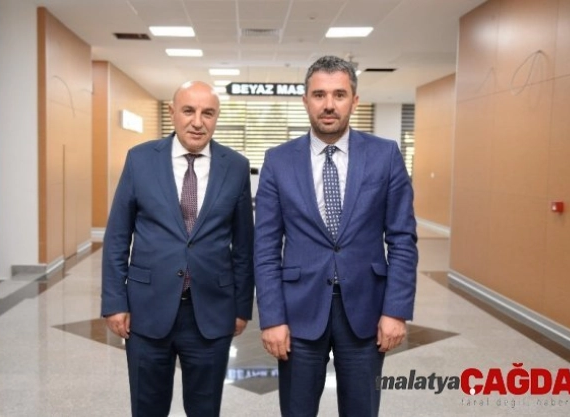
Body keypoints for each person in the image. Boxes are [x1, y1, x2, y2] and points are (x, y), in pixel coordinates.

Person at [254, 55, 418, 416]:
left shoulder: (385, 155)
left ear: (354, 101)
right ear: (305, 101)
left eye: (339, 94)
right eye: (319, 95)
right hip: (297, 313)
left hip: (366, 312)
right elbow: (265, 247)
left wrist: (395, 311)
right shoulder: (278, 160)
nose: (329, 105)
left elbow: (402, 240)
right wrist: (272, 318)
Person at [101, 80, 255, 417]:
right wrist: (114, 302)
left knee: (205, 409)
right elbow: (117, 236)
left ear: (217, 117)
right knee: (147, 407)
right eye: (188, 111)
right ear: (172, 112)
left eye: (208, 113)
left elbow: (244, 245)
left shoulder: (236, 166)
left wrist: (242, 306)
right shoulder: (140, 159)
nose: (198, 122)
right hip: (147, 309)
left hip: (211, 312)